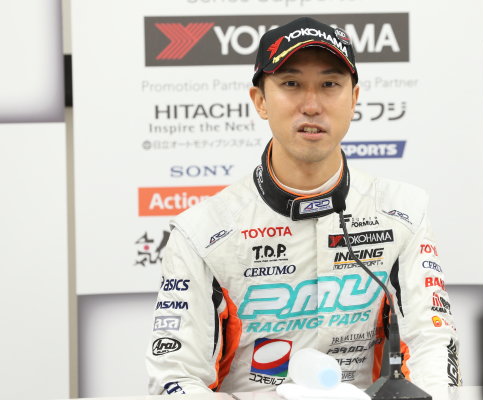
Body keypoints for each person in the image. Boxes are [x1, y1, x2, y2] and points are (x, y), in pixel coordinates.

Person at [146, 16, 460, 395]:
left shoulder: (402, 213)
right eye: (291, 84)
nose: (311, 105)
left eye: (329, 84)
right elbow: (174, 378)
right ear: (260, 100)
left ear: (354, 99)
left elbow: (431, 342)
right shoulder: (202, 232)